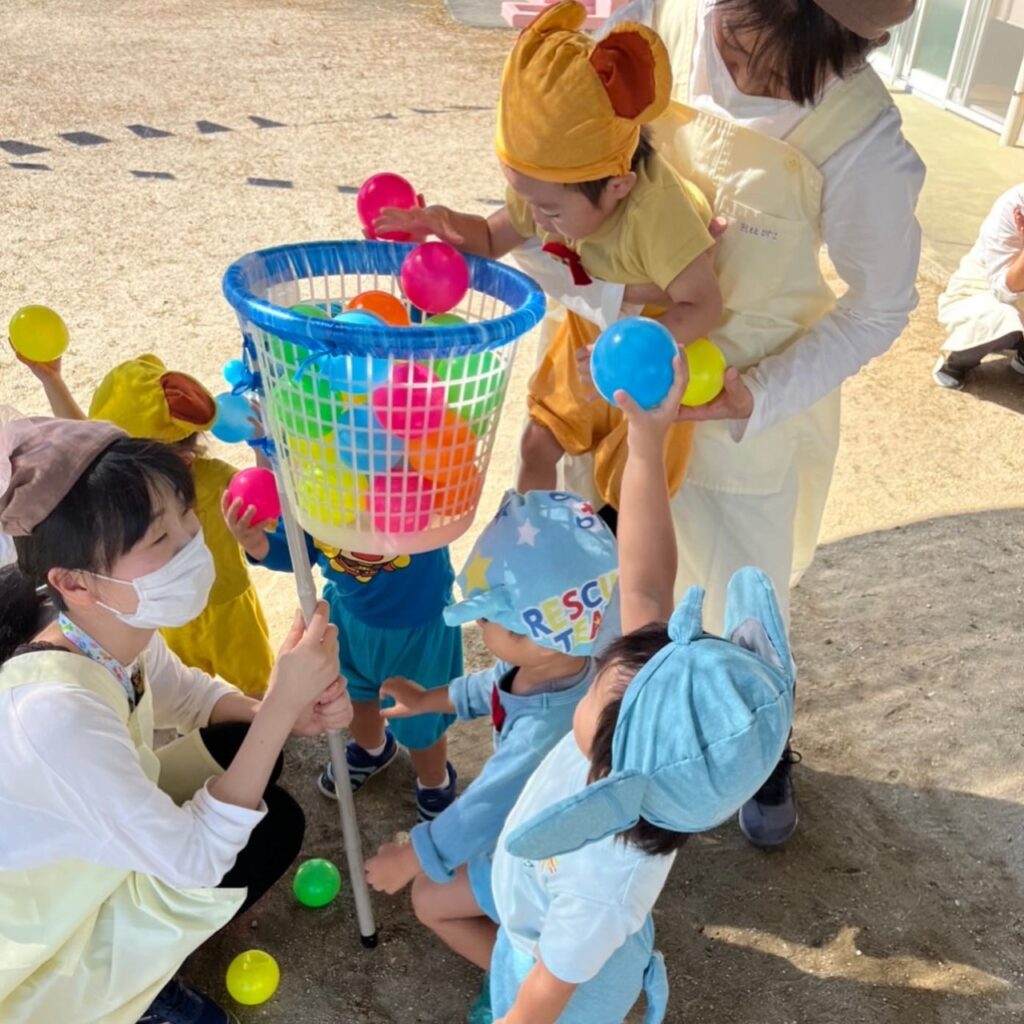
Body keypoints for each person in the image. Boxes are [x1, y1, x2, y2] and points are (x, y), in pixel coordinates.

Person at [534, 0, 925, 848]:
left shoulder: (864, 144)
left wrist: (758, 394)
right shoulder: (659, 20)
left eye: (779, 61)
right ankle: (624, 732)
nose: (741, 70)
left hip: (737, 405)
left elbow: (882, 307)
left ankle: (760, 740)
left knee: (739, 598)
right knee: (615, 566)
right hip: (624, 357)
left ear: (858, 47)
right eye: (736, 35)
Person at [0, 416, 350, 1024]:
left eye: (187, 520)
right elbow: (195, 859)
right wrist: (284, 707)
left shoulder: (102, 629)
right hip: (42, 921)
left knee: (255, 773)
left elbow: (187, 694)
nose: (193, 544)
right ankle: (132, 990)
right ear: (74, 582)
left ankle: (149, 961)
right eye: (161, 541)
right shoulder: (54, 714)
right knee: (250, 832)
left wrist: (280, 713)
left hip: (94, 854)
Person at [483, 359, 795, 1023]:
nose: (594, 674)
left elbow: (544, 998)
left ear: (613, 771)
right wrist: (646, 439)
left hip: (566, 991)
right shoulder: (652, 719)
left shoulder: (603, 883)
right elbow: (647, 579)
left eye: (595, 690)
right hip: (557, 936)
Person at [374, 0, 722, 510]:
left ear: (619, 186)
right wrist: (443, 224)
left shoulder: (657, 214)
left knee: (629, 488)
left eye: (551, 212)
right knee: (537, 441)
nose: (537, 222)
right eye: (529, 201)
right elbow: (493, 239)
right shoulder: (549, 184)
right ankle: (526, 546)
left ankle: (613, 569)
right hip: (589, 325)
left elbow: (704, 305)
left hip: (651, 343)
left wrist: (624, 349)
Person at [362, 490, 618, 997]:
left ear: (541, 635)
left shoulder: (549, 728)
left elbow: (487, 807)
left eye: (489, 621)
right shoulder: (549, 662)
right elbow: (490, 689)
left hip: (549, 866)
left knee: (428, 900)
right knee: (446, 881)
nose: (479, 628)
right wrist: (426, 699)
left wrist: (412, 856)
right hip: (534, 835)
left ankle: (528, 989)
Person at [14, 350, 274, 695]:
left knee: (256, 680)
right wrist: (52, 380)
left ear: (180, 459)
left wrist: (263, 448)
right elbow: (84, 439)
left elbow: (260, 498)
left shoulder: (212, 479)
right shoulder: (127, 491)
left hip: (227, 606)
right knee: (183, 683)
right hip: (165, 606)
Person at [225, 508, 463, 822]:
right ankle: (372, 749)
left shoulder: (407, 477)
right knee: (350, 695)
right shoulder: (311, 485)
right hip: (348, 617)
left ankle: (435, 784)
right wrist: (258, 544)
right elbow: (297, 549)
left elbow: (447, 504)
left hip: (418, 627)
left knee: (421, 722)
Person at [933, 183, 1024, 389]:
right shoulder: (1014, 205)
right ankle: (955, 361)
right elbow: (1004, 292)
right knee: (1003, 317)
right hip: (980, 295)